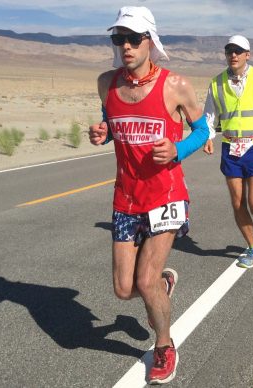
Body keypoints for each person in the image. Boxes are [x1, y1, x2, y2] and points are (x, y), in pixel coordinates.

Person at [88, 6, 209, 385]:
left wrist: (178, 150)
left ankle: (164, 346)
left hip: (167, 195)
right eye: (118, 38)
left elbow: (204, 132)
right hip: (126, 197)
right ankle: (162, 285)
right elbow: (113, 124)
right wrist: (103, 133)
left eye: (134, 38)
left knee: (144, 280)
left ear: (150, 41)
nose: (126, 45)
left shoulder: (176, 85)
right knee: (125, 289)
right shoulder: (106, 83)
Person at [202, 35, 253, 269]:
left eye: (238, 51)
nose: (233, 55)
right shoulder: (216, 83)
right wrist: (209, 137)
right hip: (230, 147)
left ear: (247, 55)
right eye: (229, 50)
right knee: (238, 203)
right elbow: (210, 118)